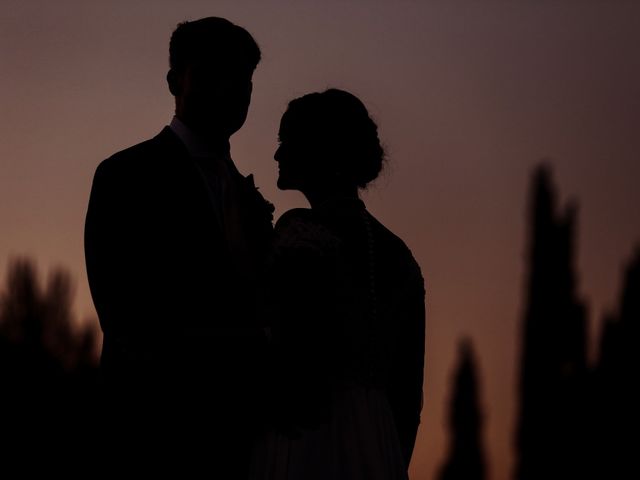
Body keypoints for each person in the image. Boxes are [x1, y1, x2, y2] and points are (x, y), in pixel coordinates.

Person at [84, 17, 273, 476]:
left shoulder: (251, 203)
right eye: (214, 72)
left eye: (243, 79)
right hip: (150, 439)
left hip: (243, 449)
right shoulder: (125, 175)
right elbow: (123, 314)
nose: (230, 88)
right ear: (175, 80)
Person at [251, 89, 425, 479]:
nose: (277, 154)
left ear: (319, 149)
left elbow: (277, 343)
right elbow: (408, 392)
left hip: (306, 431)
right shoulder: (400, 255)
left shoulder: (299, 231)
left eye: (285, 141)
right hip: (379, 441)